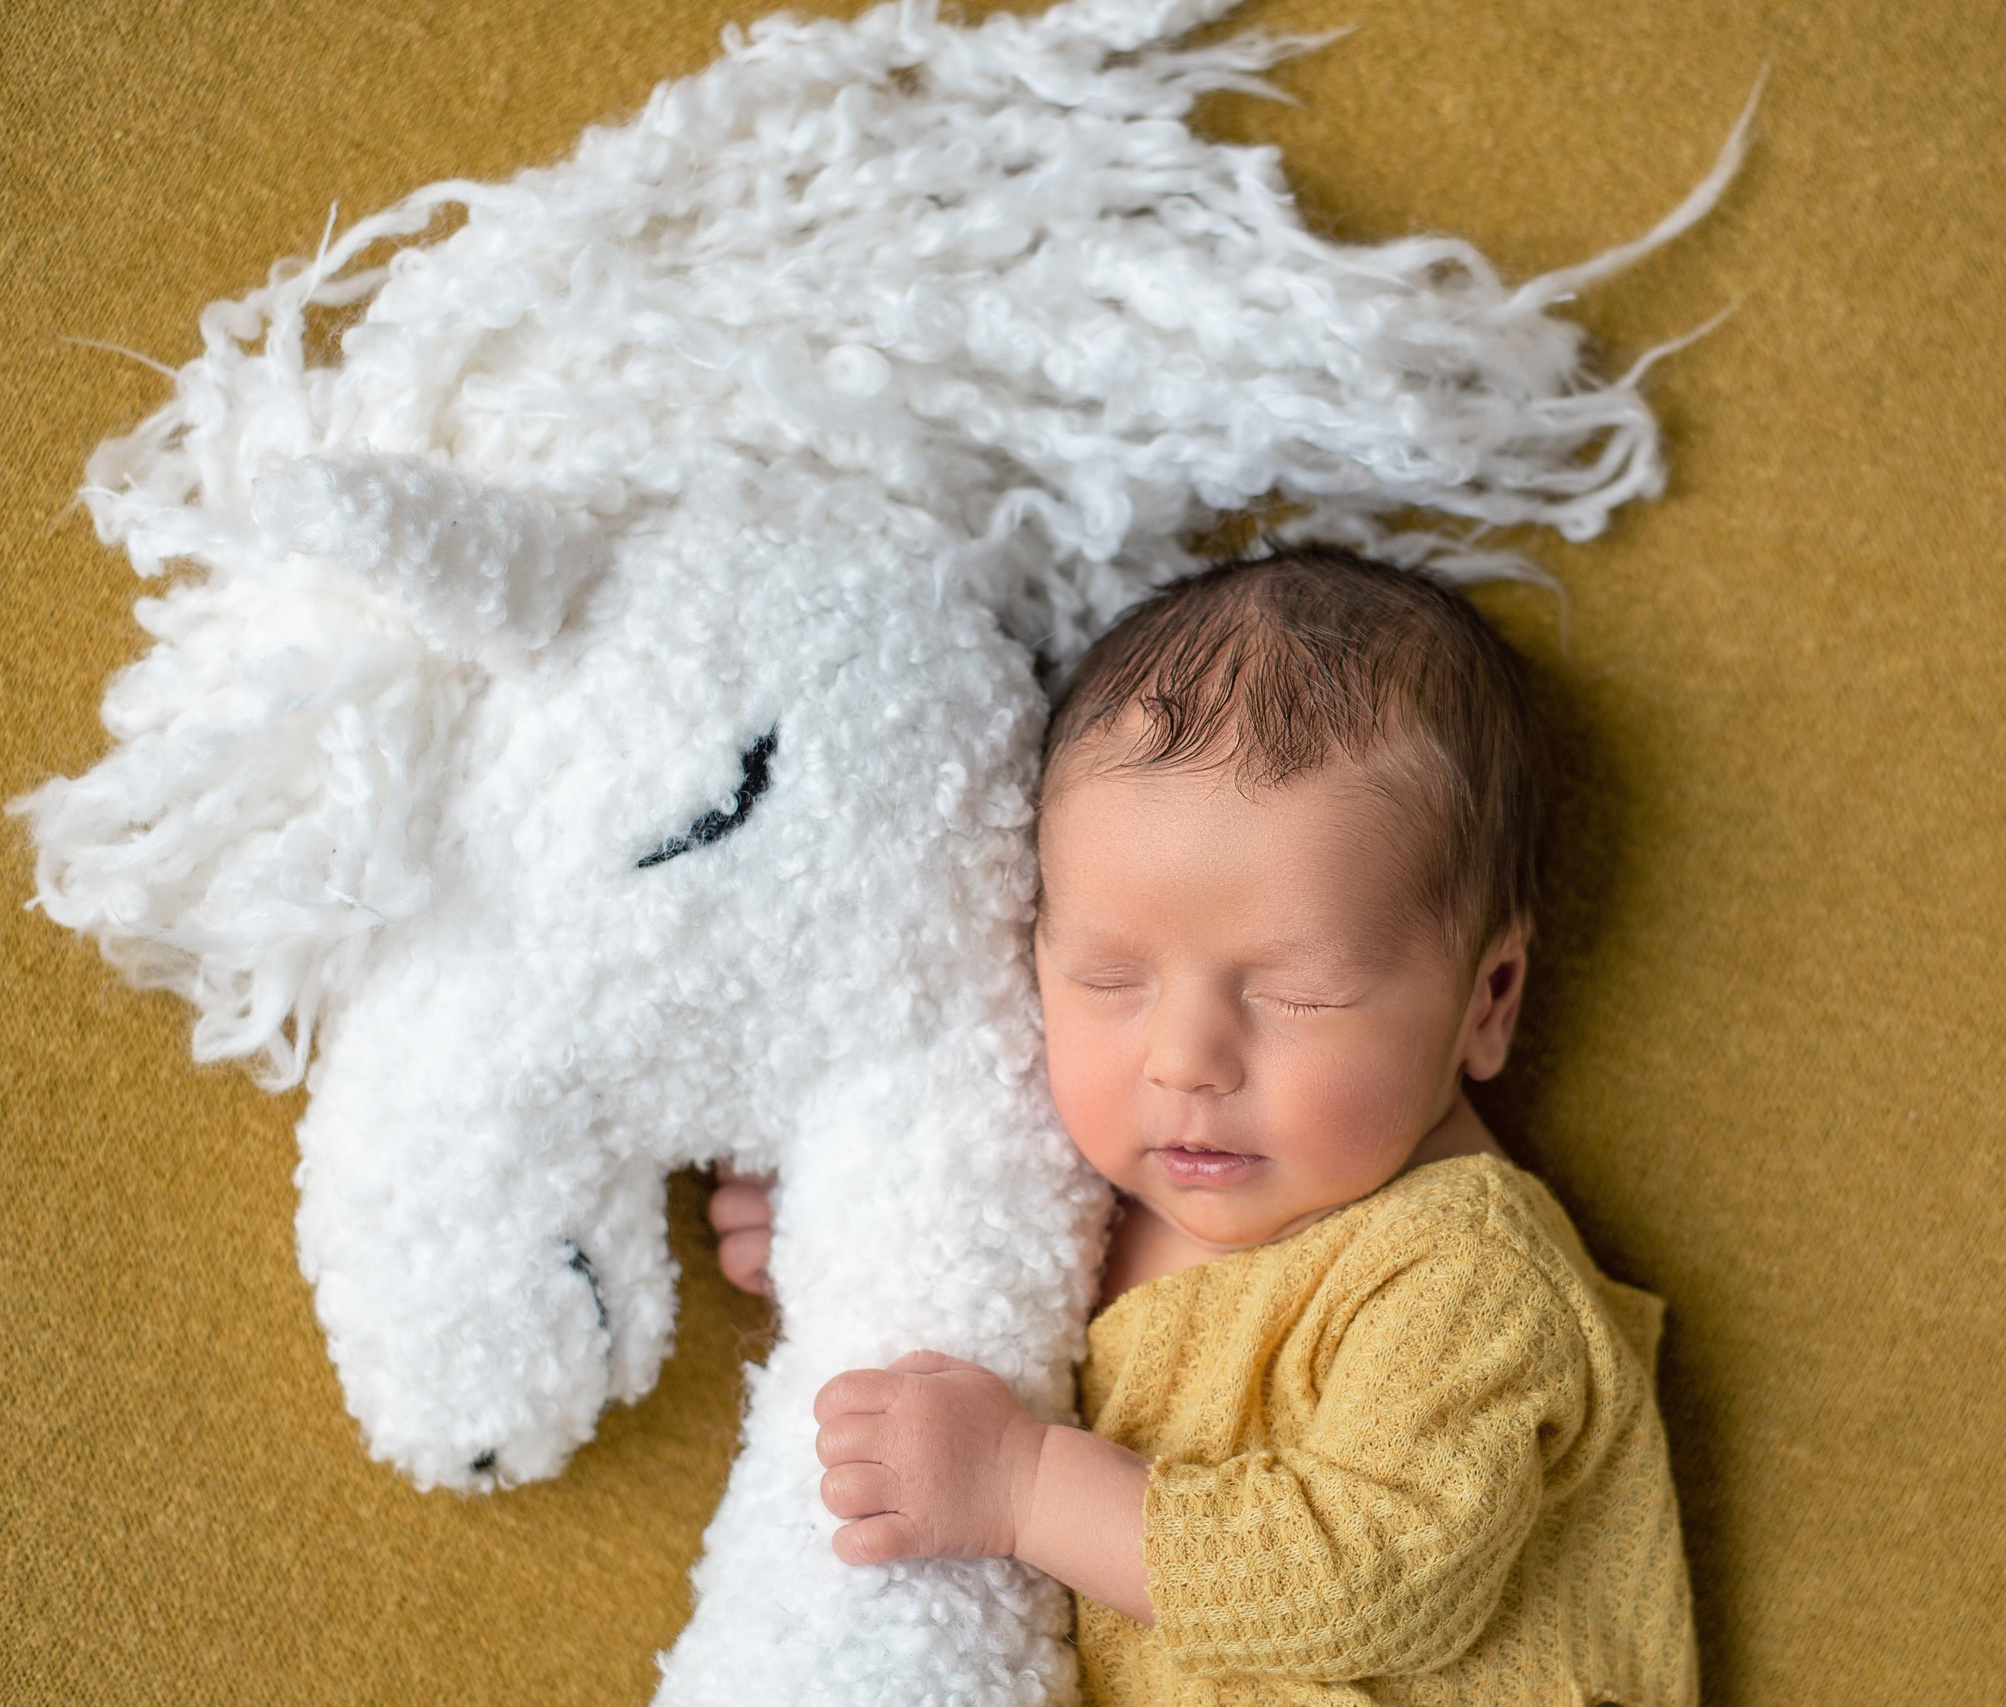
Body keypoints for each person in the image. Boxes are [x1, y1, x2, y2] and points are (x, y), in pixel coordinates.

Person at [709, 544, 1698, 1704]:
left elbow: (1375, 1584)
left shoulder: (1465, 1273)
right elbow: (1003, 1321)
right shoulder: (1099, 1213)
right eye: (1109, 980)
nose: (1183, 1059)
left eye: (1293, 993)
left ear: (1487, 1003)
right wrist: (855, 1241)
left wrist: (1026, 1486)